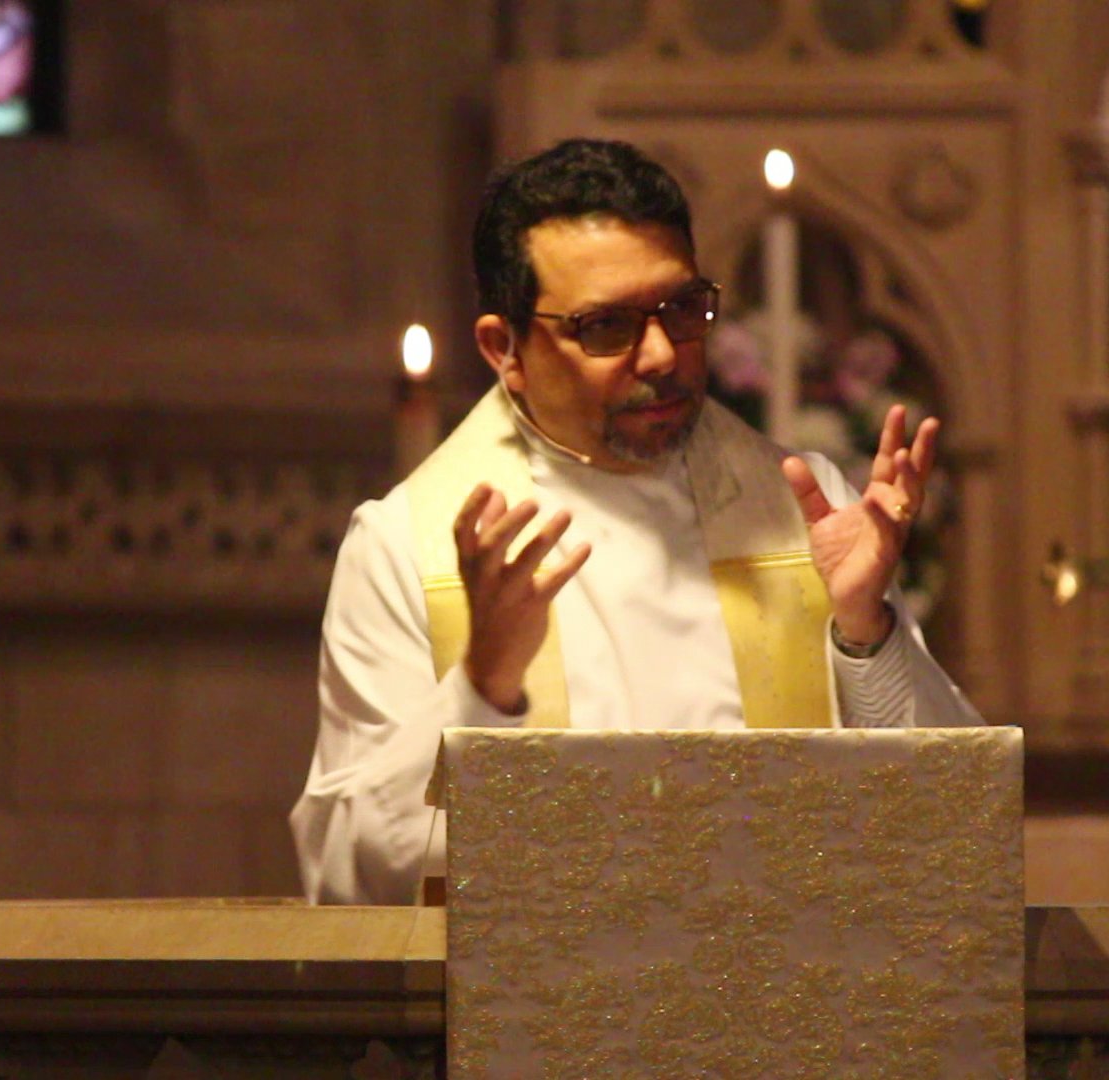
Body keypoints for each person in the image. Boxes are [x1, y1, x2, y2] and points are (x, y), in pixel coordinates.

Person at [290, 138, 982, 905]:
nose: (660, 355)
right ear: (504, 349)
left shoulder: (801, 503)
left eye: (682, 310)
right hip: (546, 979)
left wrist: (867, 634)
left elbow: (950, 820)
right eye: (606, 326)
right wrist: (483, 683)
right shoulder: (403, 546)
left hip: (778, 969)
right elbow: (345, 873)